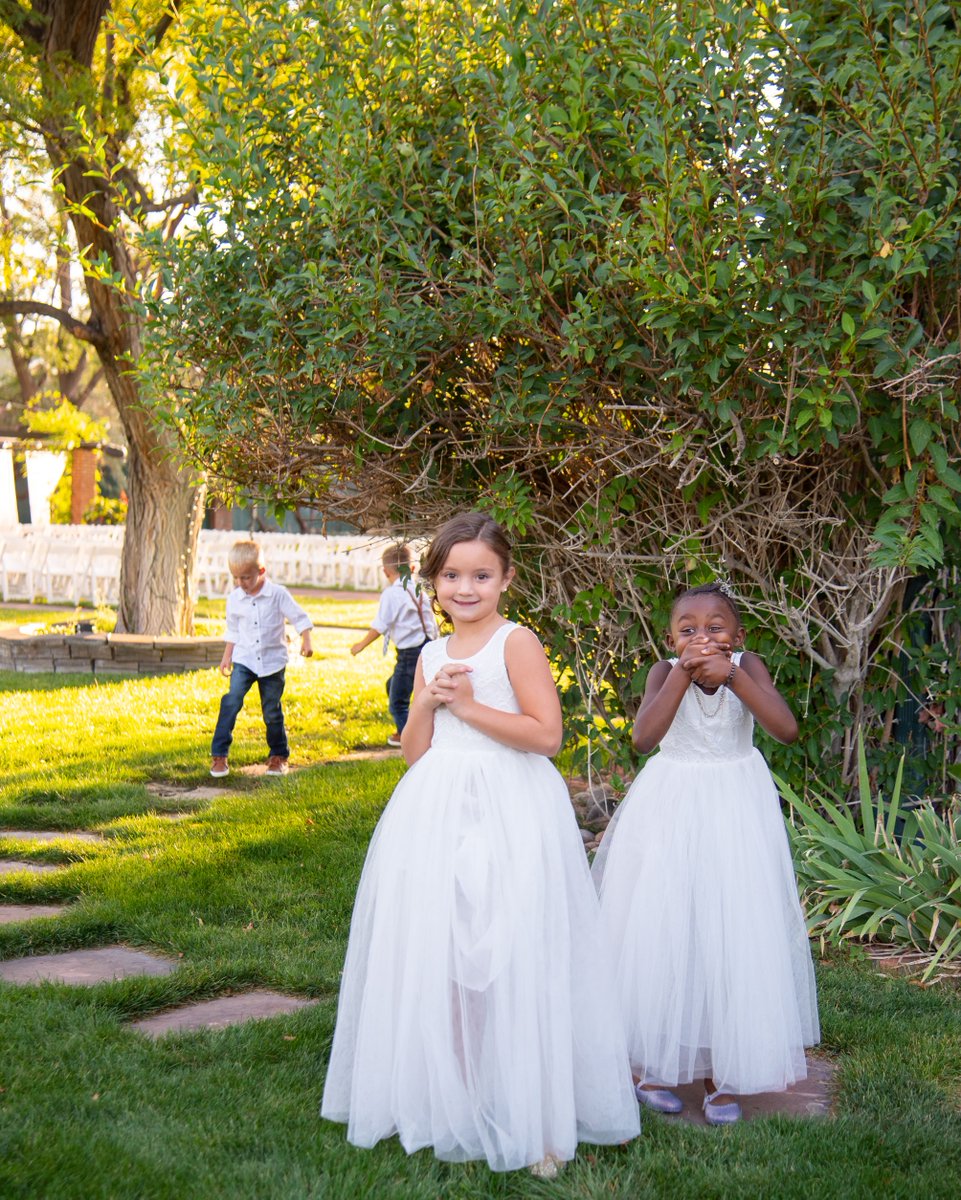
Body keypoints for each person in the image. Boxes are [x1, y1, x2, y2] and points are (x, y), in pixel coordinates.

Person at [322, 512, 639, 1174]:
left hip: (510, 810)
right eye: (451, 576)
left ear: (505, 579)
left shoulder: (515, 642)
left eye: (480, 575)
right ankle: (459, 1096)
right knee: (446, 956)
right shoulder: (431, 652)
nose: (464, 588)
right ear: (432, 582)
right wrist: (427, 705)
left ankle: (535, 1115)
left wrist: (466, 708)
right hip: (436, 811)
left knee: (512, 950)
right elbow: (414, 753)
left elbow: (546, 736)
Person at [592, 582, 819, 1125]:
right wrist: (682, 674)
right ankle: (650, 1066)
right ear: (671, 638)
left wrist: (734, 676)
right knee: (663, 928)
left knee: (732, 932)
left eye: (715, 627)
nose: (701, 636)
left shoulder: (749, 665)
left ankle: (724, 1074)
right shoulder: (660, 672)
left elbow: (785, 729)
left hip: (736, 814)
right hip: (669, 813)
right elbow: (644, 739)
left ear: (737, 636)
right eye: (687, 629)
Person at [210, 539, 313, 778]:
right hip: (244, 660)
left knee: (271, 710)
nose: (240, 583)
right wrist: (227, 657)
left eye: (246, 577)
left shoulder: (278, 595)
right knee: (231, 701)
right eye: (236, 577)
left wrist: (307, 641)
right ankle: (219, 755)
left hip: (272, 662)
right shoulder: (234, 598)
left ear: (261, 571)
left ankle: (278, 756)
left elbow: (300, 617)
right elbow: (233, 630)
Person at [350, 543, 438, 747]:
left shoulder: (391, 594)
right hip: (427, 647)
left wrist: (360, 645)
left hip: (409, 653)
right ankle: (414, 728)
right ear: (413, 568)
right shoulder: (420, 590)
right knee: (394, 686)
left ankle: (411, 737)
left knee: (398, 702)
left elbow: (380, 625)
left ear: (385, 571)